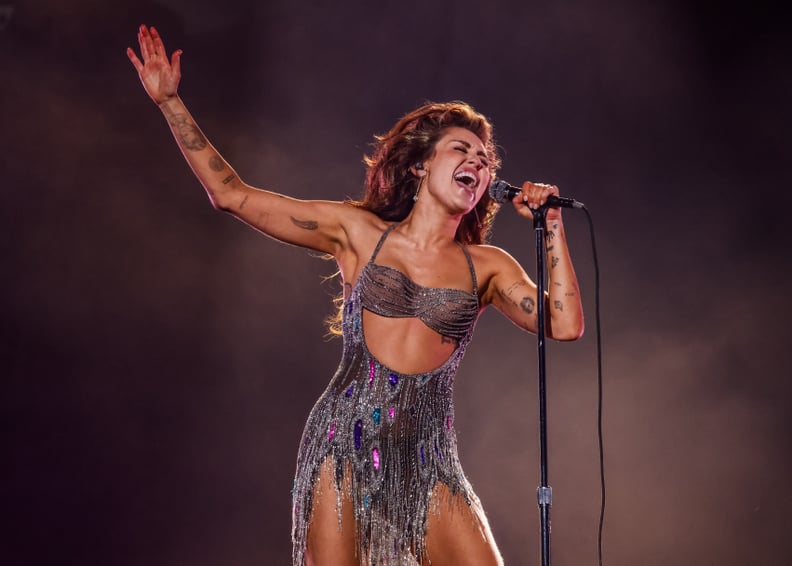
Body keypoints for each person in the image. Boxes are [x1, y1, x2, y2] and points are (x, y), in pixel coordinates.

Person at [127, 24, 584, 566]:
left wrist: (552, 224)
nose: (479, 163)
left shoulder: (486, 266)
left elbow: (564, 323)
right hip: (343, 442)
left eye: (486, 160)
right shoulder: (358, 232)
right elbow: (231, 195)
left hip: (428, 458)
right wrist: (170, 102)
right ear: (420, 164)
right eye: (462, 149)